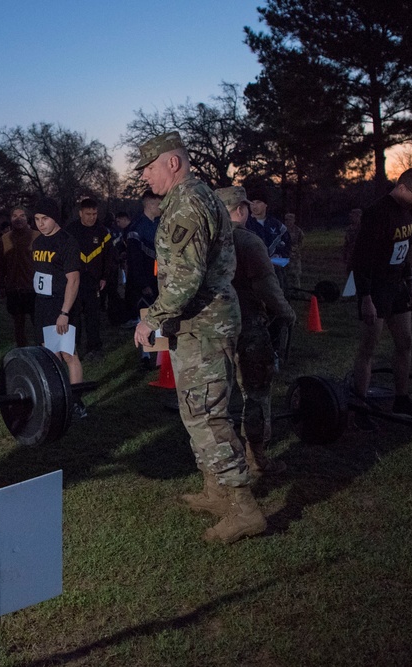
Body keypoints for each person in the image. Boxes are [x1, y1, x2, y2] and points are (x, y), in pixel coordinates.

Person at [131, 131, 264, 544]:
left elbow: (185, 280)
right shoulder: (193, 198)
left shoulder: (187, 203)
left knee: (209, 413)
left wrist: (149, 319)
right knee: (196, 409)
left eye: (150, 168)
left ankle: (243, 508)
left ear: (173, 163)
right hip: (198, 323)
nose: (146, 178)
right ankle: (215, 490)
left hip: (205, 323)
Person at [215, 186, 296, 476]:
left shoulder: (205, 242)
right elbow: (267, 286)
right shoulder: (248, 241)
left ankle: (221, 463)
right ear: (241, 210)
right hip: (249, 327)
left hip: (213, 330)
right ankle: (258, 459)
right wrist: (287, 313)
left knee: (216, 399)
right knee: (257, 393)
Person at [350, 166, 412, 428]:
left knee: (405, 342)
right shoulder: (376, 214)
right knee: (368, 348)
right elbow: (361, 259)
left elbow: (404, 249)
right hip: (376, 289)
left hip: (397, 286)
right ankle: (360, 406)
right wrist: (365, 297)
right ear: (402, 187)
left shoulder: (406, 212)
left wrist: (411, 283)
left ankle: (402, 397)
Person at [31, 197, 86, 418]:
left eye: (45, 218)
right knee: (50, 355)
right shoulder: (38, 242)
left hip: (61, 305)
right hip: (42, 304)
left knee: (69, 354)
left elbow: (73, 280)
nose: (40, 223)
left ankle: (76, 402)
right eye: (36, 219)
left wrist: (64, 312)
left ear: (55, 218)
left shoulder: (67, 241)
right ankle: (58, 399)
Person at [67, 197, 112, 359]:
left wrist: (104, 277)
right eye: (88, 214)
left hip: (93, 281)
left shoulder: (103, 232)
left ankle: (94, 347)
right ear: (80, 213)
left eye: (94, 213)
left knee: (93, 316)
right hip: (74, 281)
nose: (92, 217)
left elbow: (109, 257)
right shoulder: (70, 231)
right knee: (74, 315)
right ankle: (73, 347)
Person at [0, 206, 39, 347]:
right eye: (15, 216)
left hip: (34, 289)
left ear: (28, 218)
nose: (18, 219)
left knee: (39, 323)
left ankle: (44, 352)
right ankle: (22, 351)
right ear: (10, 219)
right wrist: (0, 285)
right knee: (18, 326)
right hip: (14, 289)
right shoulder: (4, 239)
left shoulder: (37, 237)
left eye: (22, 215)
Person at [123, 191, 161, 327]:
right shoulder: (136, 227)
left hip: (157, 277)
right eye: (159, 204)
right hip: (144, 281)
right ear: (150, 205)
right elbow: (134, 260)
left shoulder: (159, 223)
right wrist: (143, 284)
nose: (162, 207)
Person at [246, 192, 290, 290]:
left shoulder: (278, 226)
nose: (254, 205)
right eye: (251, 202)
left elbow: (286, 247)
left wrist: (279, 258)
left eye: (258, 202)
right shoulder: (245, 224)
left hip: (275, 269)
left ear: (266, 204)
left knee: (279, 293)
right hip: (253, 270)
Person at [283, 212, 305, 294]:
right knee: (285, 274)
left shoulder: (298, 231)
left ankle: (296, 291)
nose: (288, 222)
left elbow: (301, 242)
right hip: (284, 255)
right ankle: (287, 290)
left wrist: (296, 249)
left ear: (294, 220)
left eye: (290, 220)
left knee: (295, 274)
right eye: (286, 220)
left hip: (295, 256)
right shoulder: (282, 229)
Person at [342, 208, 362, 273]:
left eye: (353, 216)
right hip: (351, 255)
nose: (351, 218)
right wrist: (345, 255)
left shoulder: (363, 228)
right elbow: (346, 243)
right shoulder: (349, 229)